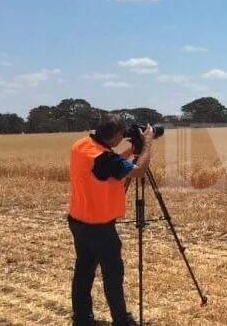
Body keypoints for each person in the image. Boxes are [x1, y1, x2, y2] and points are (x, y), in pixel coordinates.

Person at [68, 114, 154, 326]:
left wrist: (129, 151)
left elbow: (109, 165)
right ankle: (121, 320)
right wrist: (147, 146)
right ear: (114, 135)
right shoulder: (103, 159)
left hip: (79, 219)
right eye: (120, 136)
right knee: (113, 273)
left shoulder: (82, 145)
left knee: (84, 271)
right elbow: (138, 171)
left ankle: (81, 319)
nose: (121, 140)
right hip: (99, 227)